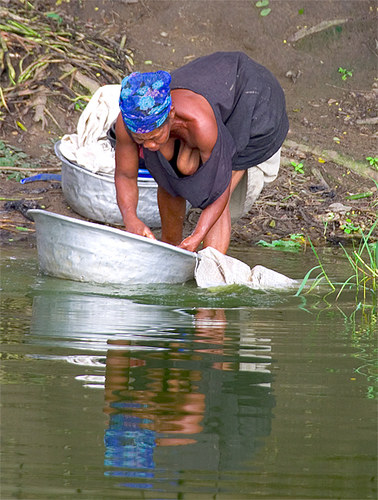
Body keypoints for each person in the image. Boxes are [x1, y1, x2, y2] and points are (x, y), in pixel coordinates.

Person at [113, 51, 289, 254]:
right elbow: (125, 175)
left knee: (217, 187)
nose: (149, 145)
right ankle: (169, 251)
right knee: (169, 175)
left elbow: (219, 192)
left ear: (171, 115)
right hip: (215, 95)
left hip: (255, 102)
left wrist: (198, 234)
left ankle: (212, 271)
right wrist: (131, 219)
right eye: (140, 140)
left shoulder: (200, 124)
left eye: (154, 137)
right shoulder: (130, 122)